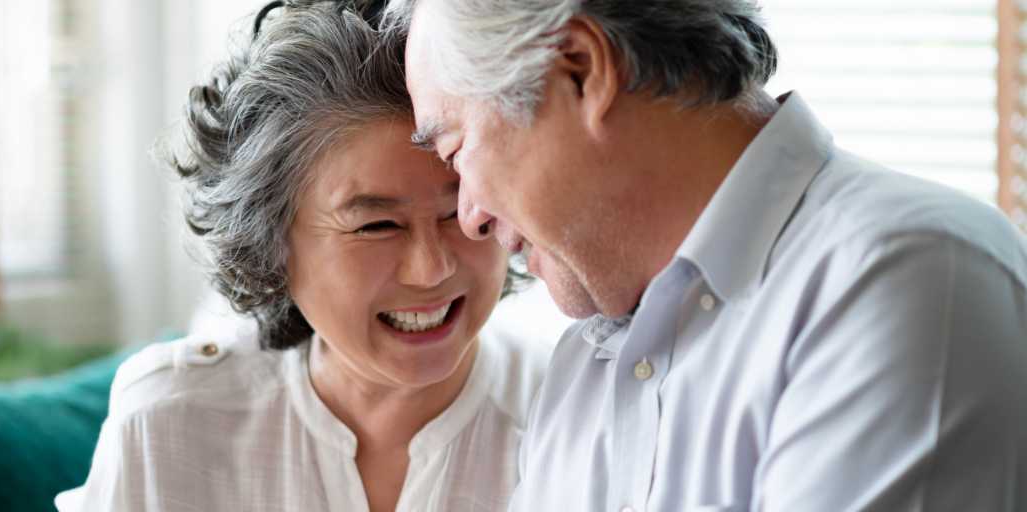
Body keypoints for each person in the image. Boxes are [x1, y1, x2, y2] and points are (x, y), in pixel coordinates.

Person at [384, 0, 1027, 510]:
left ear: (582, 69)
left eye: (455, 150)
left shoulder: (902, 277)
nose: (469, 216)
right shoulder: (586, 364)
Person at [55, 2, 547, 510]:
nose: (432, 268)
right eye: (377, 226)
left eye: (456, 212)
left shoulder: (571, 415)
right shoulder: (169, 423)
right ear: (271, 242)